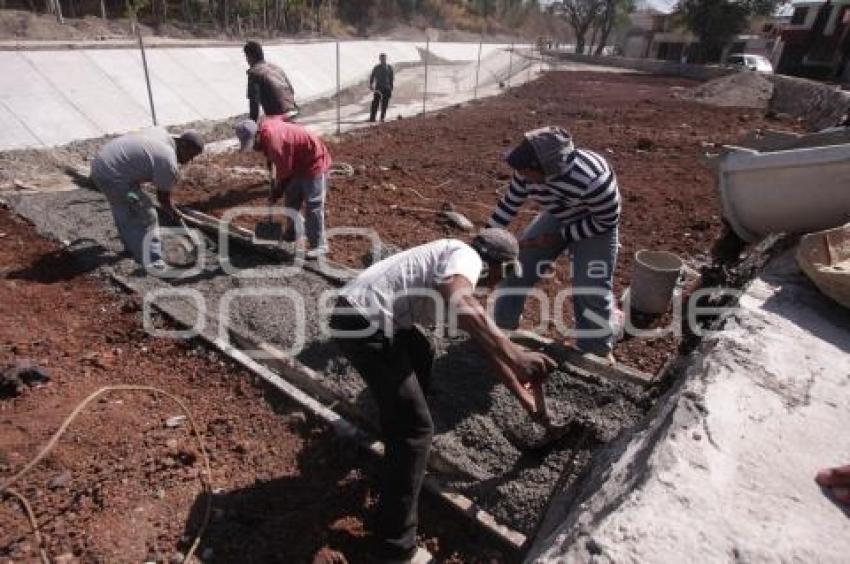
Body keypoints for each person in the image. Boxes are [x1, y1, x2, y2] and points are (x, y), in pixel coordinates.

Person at [329, 229, 556, 562]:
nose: (499, 282)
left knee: (421, 350)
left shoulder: (454, 268)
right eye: (505, 272)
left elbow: (488, 350)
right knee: (416, 431)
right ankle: (396, 546)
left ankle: (400, 426)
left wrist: (527, 402)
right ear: (492, 263)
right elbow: (462, 301)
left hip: (364, 314)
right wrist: (517, 354)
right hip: (363, 322)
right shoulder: (465, 257)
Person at [487, 126, 621, 358]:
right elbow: (509, 205)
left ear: (546, 170)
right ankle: (501, 331)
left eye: (526, 169)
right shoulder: (525, 170)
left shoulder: (595, 182)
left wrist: (561, 237)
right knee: (514, 268)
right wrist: (485, 240)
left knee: (590, 286)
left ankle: (595, 352)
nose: (520, 173)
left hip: (595, 222)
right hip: (558, 213)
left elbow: (607, 220)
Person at [90, 127, 204, 271]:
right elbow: (163, 199)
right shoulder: (168, 161)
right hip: (115, 179)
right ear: (183, 145)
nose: (190, 160)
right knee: (147, 214)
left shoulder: (161, 134)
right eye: (191, 155)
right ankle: (152, 261)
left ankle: (132, 248)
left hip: (101, 166)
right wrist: (173, 212)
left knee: (123, 208)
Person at [234, 117, 331, 259]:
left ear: (257, 135)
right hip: (296, 161)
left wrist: (275, 193)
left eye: (253, 143)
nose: (253, 148)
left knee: (313, 204)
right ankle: (293, 233)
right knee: (291, 200)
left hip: (313, 161)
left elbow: (284, 175)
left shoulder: (274, 142)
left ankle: (320, 245)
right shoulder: (265, 130)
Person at [244, 40, 298, 122]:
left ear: (250, 57)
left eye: (246, 57)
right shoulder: (276, 68)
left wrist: (252, 125)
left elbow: (254, 103)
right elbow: (291, 90)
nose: (247, 60)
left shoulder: (254, 73)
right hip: (293, 110)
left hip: (278, 116)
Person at [369, 53, 394, 123]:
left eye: (384, 58)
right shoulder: (376, 68)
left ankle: (382, 118)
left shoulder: (389, 67)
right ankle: (372, 118)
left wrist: (391, 87)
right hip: (378, 88)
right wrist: (371, 84)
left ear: (386, 59)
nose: (383, 60)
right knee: (375, 103)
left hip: (387, 88)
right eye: (381, 58)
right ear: (380, 59)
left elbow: (391, 78)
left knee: (384, 104)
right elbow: (372, 76)